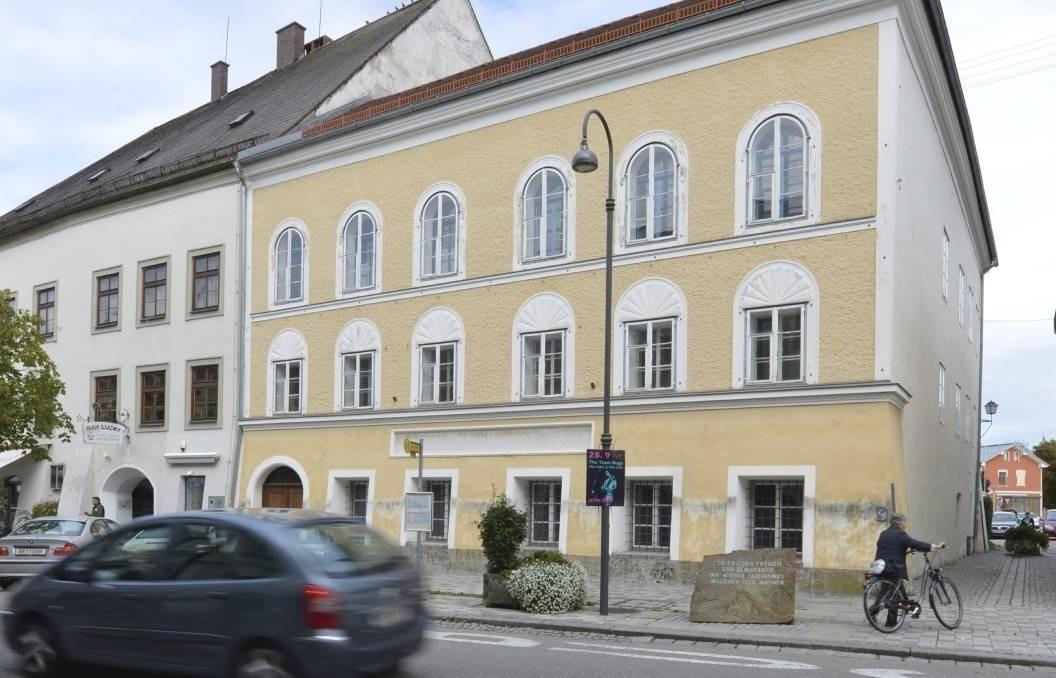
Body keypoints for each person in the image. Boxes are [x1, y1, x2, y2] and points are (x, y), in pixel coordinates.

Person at [874, 514, 945, 622]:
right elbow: (915, 543)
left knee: (885, 592)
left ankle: (874, 613)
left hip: (882, 567)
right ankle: (891, 623)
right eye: (905, 523)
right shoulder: (900, 535)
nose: (905, 525)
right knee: (895, 596)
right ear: (900, 524)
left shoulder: (883, 533)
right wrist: (933, 547)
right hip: (894, 568)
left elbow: (889, 547)